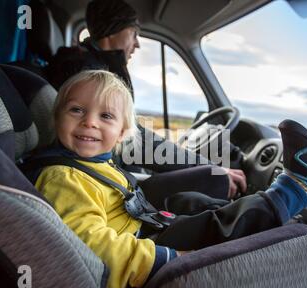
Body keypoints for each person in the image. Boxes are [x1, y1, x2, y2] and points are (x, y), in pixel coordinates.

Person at [33, 70, 307, 288]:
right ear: (56, 117)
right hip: (141, 257)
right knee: (213, 224)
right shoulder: (63, 177)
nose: (89, 122)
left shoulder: (93, 163)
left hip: (139, 227)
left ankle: (264, 219)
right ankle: (295, 190)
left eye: (106, 115)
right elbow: (89, 247)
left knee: (194, 203)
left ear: (123, 133)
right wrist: (167, 257)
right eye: (76, 110)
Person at [46, 0, 247, 206]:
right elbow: (134, 141)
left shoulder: (91, 64)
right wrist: (210, 168)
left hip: (113, 171)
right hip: (100, 179)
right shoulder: (87, 73)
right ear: (114, 29)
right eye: (134, 33)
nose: (137, 43)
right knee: (213, 186)